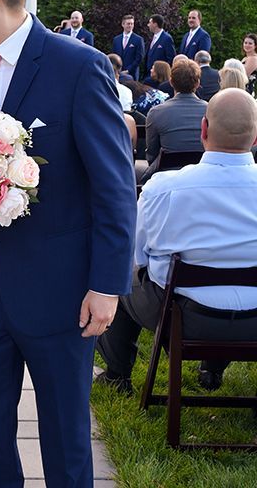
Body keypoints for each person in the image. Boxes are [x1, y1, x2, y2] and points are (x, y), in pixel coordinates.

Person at [0, 0, 135, 487]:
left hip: (62, 292)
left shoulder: (79, 66)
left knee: (66, 439)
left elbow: (115, 186)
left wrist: (107, 283)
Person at [97, 89, 257, 393]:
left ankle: (118, 375)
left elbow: (135, 257)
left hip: (179, 316)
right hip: (254, 320)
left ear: (204, 129)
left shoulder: (163, 188)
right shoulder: (165, 188)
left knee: (118, 275)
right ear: (256, 136)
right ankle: (211, 370)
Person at [145, 59, 208, 164]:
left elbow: (152, 153)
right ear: (197, 83)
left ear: (171, 82)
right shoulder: (211, 110)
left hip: (167, 172)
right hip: (202, 171)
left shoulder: (156, 112)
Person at [112, 14, 145, 80]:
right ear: (123, 24)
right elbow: (114, 56)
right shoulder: (116, 39)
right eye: (128, 24)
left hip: (132, 74)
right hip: (118, 74)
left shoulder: (138, 39)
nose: (130, 26)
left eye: (132, 24)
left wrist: (128, 70)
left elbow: (139, 57)